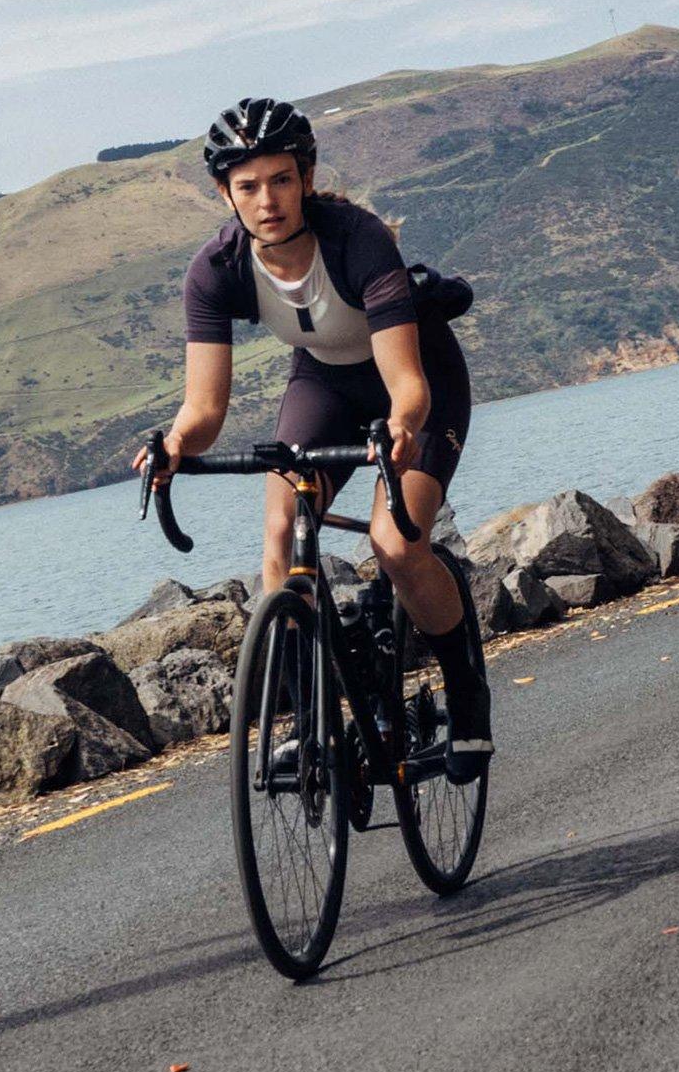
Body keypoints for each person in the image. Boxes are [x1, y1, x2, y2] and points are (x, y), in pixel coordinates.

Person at [137, 98, 492, 779]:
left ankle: (466, 689)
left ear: (304, 177)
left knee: (393, 542)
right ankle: (310, 723)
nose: (266, 200)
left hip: (417, 382)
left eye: (280, 180)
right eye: (247, 186)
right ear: (225, 193)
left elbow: (407, 385)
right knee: (279, 534)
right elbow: (205, 406)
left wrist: (400, 429)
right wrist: (177, 443)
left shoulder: (356, 240)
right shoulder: (216, 270)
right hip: (324, 383)